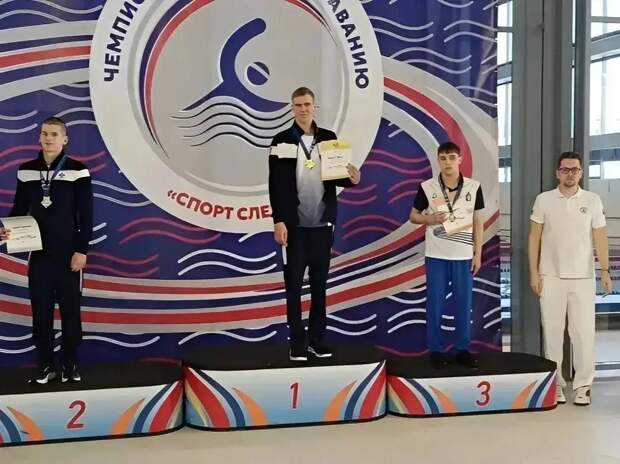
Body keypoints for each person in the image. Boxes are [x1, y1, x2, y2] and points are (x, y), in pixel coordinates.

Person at [268, 87, 361, 361]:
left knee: (320, 287)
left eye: (307, 104)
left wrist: (352, 179)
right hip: (293, 228)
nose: (303, 109)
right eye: (298, 105)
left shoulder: (328, 138)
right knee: (294, 288)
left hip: (322, 226)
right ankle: (297, 343)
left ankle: (317, 341)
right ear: (292, 108)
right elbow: (274, 184)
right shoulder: (281, 140)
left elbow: (337, 177)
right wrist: (278, 220)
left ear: (314, 106)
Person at [0, 117, 93, 384]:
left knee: (70, 310)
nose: (48, 138)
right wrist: (6, 228)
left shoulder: (78, 171)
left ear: (65, 139)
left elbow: (86, 215)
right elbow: (19, 209)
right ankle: (45, 365)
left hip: (68, 254)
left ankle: (70, 363)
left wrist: (81, 250)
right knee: (40, 311)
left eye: (54, 134)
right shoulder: (26, 170)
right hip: (39, 253)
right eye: (44, 134)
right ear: (39, 137)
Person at [529, 151, 612, 406]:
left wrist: (605, 270)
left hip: (583, 277)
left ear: (581, 173)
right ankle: (556, 385)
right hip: (550, 276)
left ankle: (584, 385)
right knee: (553, 332)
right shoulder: (544, 200)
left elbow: (600, 236)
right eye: (565, 169)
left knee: (583, 334)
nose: (570, 174)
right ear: (557, 173)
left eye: (574, 170)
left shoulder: (592, 200)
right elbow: (534, 237)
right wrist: (534, 272)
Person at [409, 142, 485, 369]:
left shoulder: (473, 187)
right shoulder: (427, 187)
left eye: (452, 157)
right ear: (438, 160)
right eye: (443, 158)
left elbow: (478, 221)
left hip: (463, 256)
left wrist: (477, 254)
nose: (448, 162)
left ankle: (463, 349)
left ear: (460, 159)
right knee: (435, 304)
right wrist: (429, 219)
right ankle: (435, 350)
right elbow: (413, 216)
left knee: (463, 304)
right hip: (436, 255)